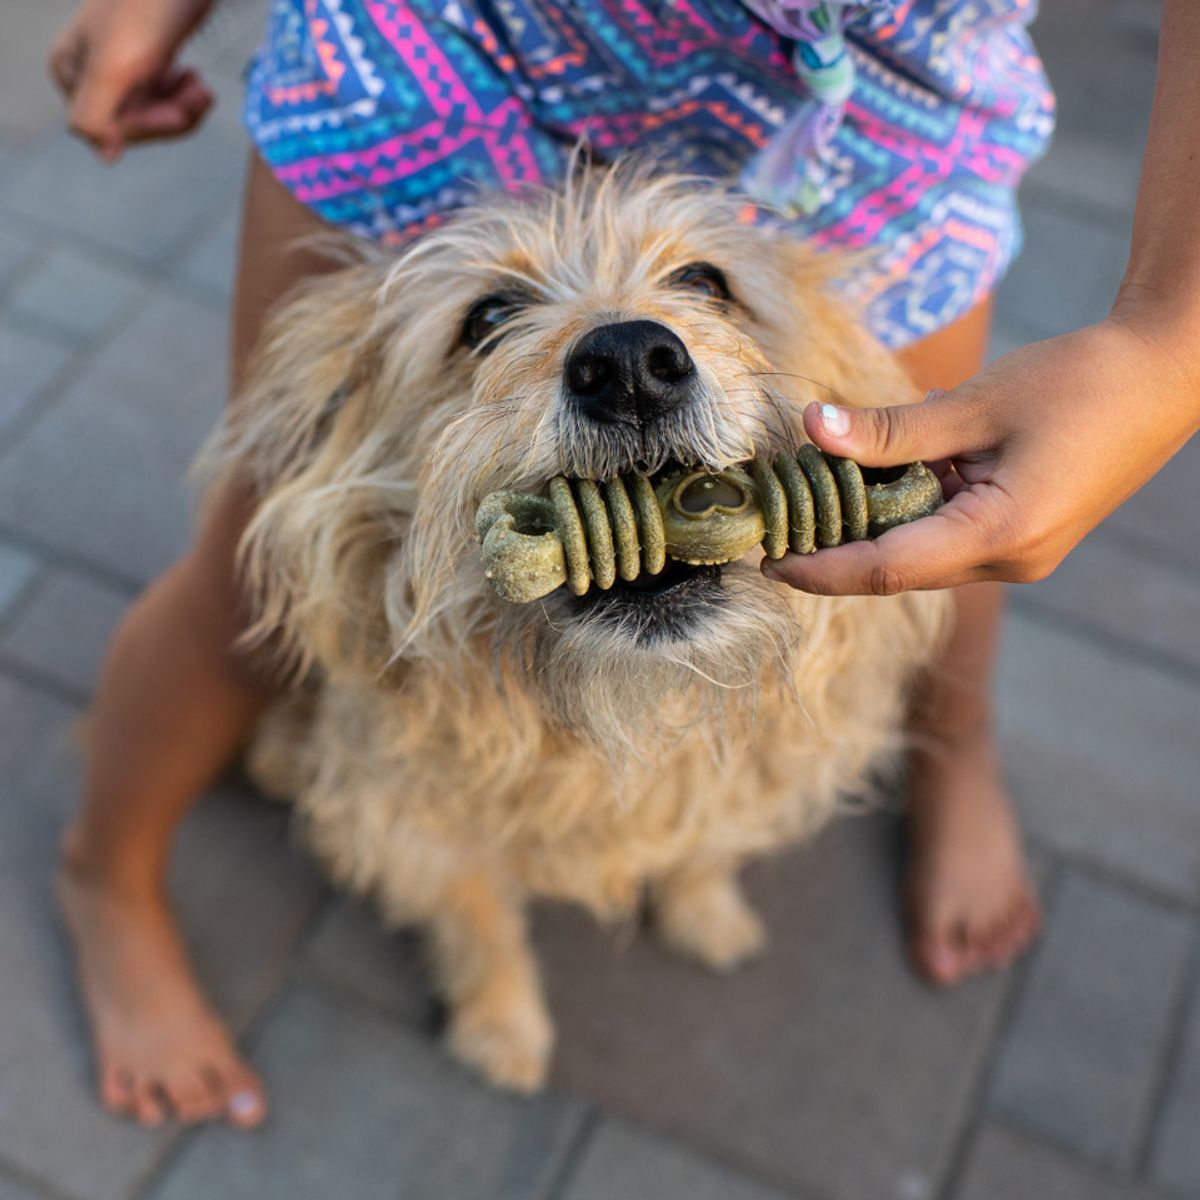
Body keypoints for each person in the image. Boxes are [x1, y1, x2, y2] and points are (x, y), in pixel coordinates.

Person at [42, 0, 1187, 1131]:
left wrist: (1167, 343)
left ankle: (909, 775)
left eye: (704, 286)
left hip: (891, 81)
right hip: (451, 35)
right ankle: (112, 877)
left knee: (938, 532)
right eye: (488, 320)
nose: (630, 356)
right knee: (262, 581)